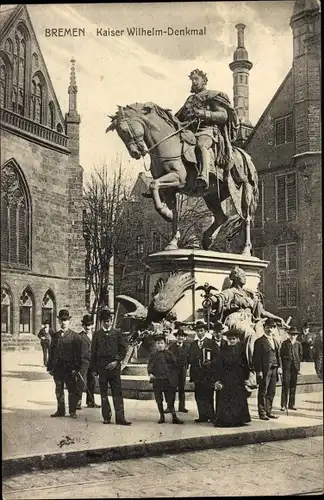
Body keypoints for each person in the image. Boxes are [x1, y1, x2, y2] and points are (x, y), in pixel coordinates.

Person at [175, 68, 238, 193]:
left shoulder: (212, 96)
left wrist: (203, 114)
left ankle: (204, 176)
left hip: (208, 131)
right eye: (192, 80)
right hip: (190, 133)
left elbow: (223, 115)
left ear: (204, 80)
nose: (194, 82)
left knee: (201, 145)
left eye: (196, 79)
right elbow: (178, 118)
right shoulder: (190, 100)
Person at [90, 308, 131, 425]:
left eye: (109, 321)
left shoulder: (117, 333)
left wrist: (116, 361)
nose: (107, 323)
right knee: (103, 394)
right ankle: (106, 417)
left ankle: (120, 418)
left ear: (111, 321)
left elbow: (123, 349)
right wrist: (94, 369)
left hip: (114, 368)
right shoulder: (97, 335)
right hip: (102, 368)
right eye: (105, 321)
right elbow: (93, 352)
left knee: (117, 393)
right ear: (101, 322)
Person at [47, 309, 82, 419]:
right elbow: (51, 352)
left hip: (70, 369)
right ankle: (60, 410)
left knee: (71, 390)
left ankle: (72, 411)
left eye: (66, 320)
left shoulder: (75, 336)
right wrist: (50, 367)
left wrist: (76, 368)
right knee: (59, 390)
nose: (63, 322)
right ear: (58, 321)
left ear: (69, 321)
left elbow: (78, 355)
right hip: (58, 368)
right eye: (62, 320)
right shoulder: (55, 336)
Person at [213, 328, 251, 427]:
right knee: (226, 399)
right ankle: (226, 420)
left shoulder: (241, 349)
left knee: (238, 399)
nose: (231, 341)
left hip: (238, 377)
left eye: (233, 338)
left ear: (237, 339)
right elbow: (219, 364)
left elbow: (245, 363)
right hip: (226, 377)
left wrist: (246, 377)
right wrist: (219, 378)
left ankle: (239, 420)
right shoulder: (223, 349)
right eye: (230, 339)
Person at [148, 334, 183, 424]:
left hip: (168, 380)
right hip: (157, 379)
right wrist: (150, 373)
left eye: (162, 343)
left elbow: (174, 366)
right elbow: (150, 366)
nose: (160, 345)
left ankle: (174, 417)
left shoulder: (169, 354)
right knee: (159, 399)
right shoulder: (153, 355)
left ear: (165, 344)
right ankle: (161, 416)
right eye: (158, 343)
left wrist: (173, 378)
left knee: (170, 399)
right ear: (156, 344)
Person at [252, 318, 283, 420]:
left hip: (274, 369)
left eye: (272, 328)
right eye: (268, 327)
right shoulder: (259, 341)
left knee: (271, 391)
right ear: (264, 328)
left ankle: (269, 411)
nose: (270, 330)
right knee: (263, 391)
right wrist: (259, 371)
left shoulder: (275, 341)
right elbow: (256, 358)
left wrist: (280, 367)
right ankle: (262, 413)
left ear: (275, 329)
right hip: (265, 370)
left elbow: (278, 356)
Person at [188, 320, 217, 423]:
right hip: (197, 374)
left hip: (208, 374)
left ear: (205, 331)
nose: (200, 333)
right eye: (198, 331)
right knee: (199, 395)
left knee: (208, 394)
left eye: (201, 331)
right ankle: (202, 415)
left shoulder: (211, 343)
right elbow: (190, 358)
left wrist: (210, 364)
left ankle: (211, 415)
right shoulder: (193, 345)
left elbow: (216, 357)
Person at [76, 314, 101, 410]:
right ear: (83, 325)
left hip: (93, 362)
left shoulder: (96, 336)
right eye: (86, 325)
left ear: (92, 325)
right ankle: (77, 402)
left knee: (92, 382)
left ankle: (90, 402)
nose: (88, 327)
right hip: (83, 362)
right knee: (81, 382)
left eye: (89, 325)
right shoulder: (79, 337)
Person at [167, 327, 190, 413]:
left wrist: (186, 367)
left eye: (182, 336)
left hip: (182, 369)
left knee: (182, 388)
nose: (180, 338)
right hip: (174, 370)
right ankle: (170, 407)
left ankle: (182, 407)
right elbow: (168, 359)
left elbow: (189, 358)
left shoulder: (187, 347)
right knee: (172, 388)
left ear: (184, 338)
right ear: (176, 337)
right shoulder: (171, 347)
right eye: (178, 336)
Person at [280, 327, 303, 411]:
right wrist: (282, 366)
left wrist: (298, 366)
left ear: (296, 335)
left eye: (294, 334)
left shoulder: (298, 344)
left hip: (295, 368)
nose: (293, 336)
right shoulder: (285, 343)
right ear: (288, 335)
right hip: (287, 368)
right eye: (291, 334)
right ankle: (283, 405)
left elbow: (300, 355)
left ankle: (291, 404)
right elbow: (281, 355)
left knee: (293, 386)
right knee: (285, 384)